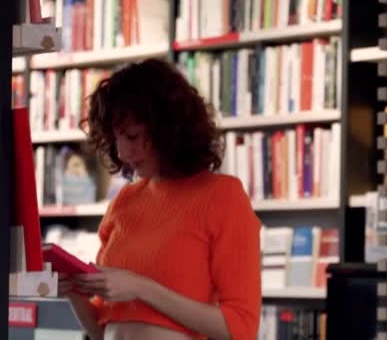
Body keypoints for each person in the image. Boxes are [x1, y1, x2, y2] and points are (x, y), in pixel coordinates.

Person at [58, 59, 261, 340]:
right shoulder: (124, 201)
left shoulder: (223, 197)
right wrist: (72, 292)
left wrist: (141, 288)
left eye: (133, 136)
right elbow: (101, 328)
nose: (124, 152)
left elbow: (240, 326)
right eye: (117, 138)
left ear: (168, 129)